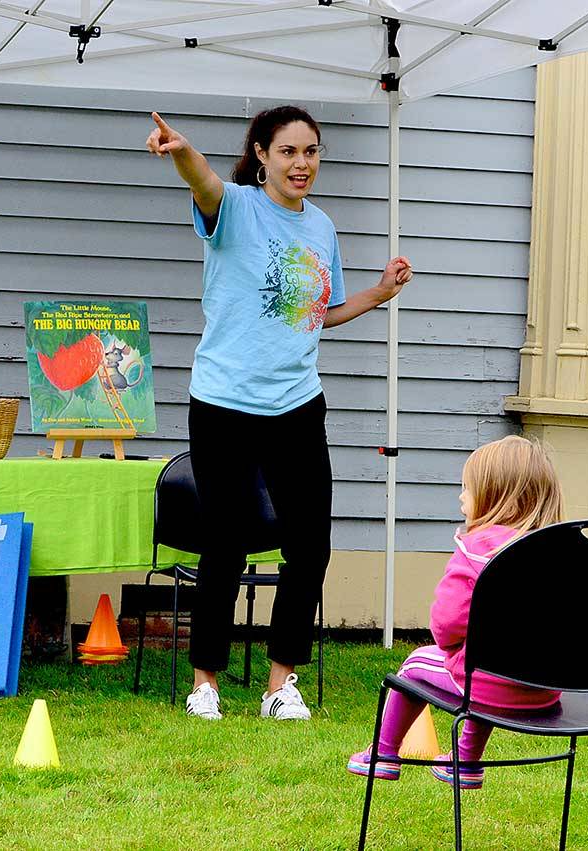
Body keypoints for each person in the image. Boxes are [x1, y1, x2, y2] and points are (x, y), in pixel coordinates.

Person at [146, 107, 414, 720]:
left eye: (312, 152)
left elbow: (320, 313)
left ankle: (279, 684)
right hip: (224, 404)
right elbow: (203, 181)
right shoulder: (235, 207)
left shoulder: (321, 228)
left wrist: (378, 293)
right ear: (262, 154)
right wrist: (182, 150)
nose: (302, 164)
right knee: (225, 547)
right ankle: (205, 684)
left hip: (297, 405)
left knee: (310, 545)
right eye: (289, 152)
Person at [346, 435, 565, 789]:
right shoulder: (560, 553)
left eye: (467, 487)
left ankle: (383, 755)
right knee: (493, 661)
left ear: (495, 496)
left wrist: (454, 647)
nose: (461, 496)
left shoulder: (477, 551)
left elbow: (445, 627)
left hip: (491, 687)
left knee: (417, 665)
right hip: (549, 690)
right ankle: (462, 760)